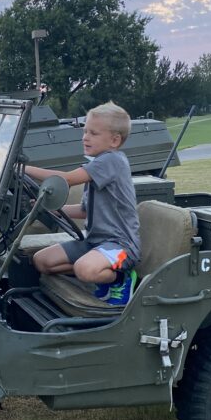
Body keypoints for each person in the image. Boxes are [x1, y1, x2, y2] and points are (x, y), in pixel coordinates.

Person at [24, 102, 140, 307]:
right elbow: (84, 211)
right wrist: (50, 209)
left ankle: (120, 277)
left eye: (93, 133)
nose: (85, 137)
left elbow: (66, 179)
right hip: (95, 242)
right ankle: (97, 271)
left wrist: (24, 169)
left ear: (114, 140)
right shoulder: (97, 165)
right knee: (41, 261)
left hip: (122, 248)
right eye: (85, 131)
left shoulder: (112, 161)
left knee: (84, 269)